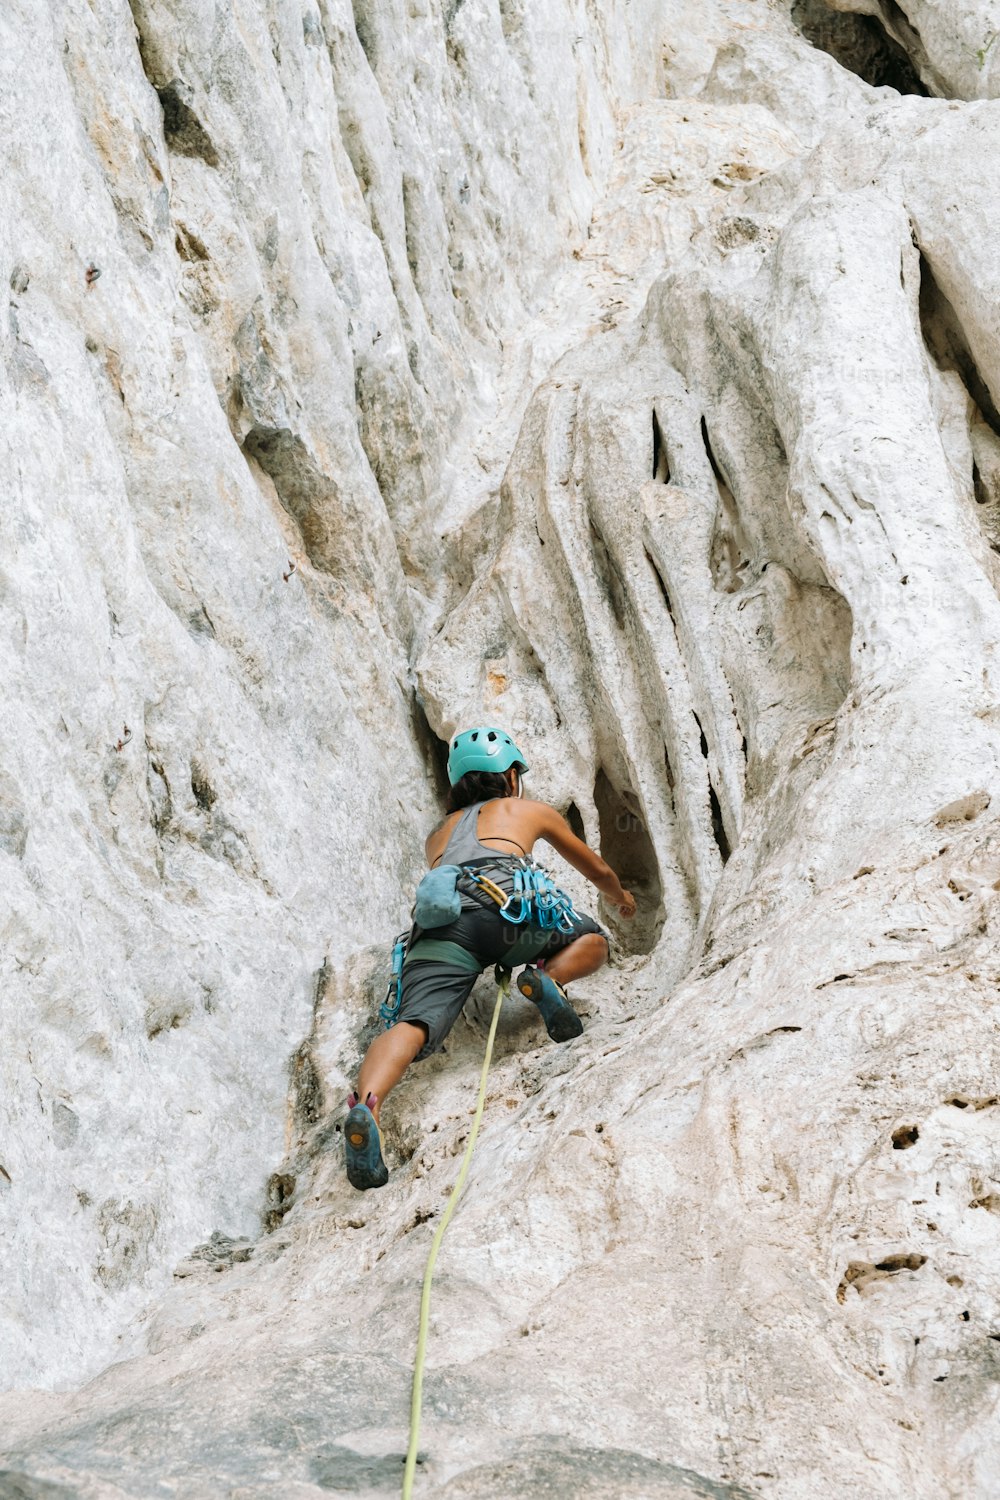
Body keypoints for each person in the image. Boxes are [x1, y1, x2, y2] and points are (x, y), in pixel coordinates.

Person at [344, 727, 636, 1189]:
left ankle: (366, 1107)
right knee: (593, 941)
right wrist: (620, 896)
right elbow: (594, 868)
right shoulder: (527, 810)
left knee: (412, 1023)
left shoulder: (437, 836)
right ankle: (548, 980)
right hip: (507, 912)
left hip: (442, 926)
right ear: (510, 776)